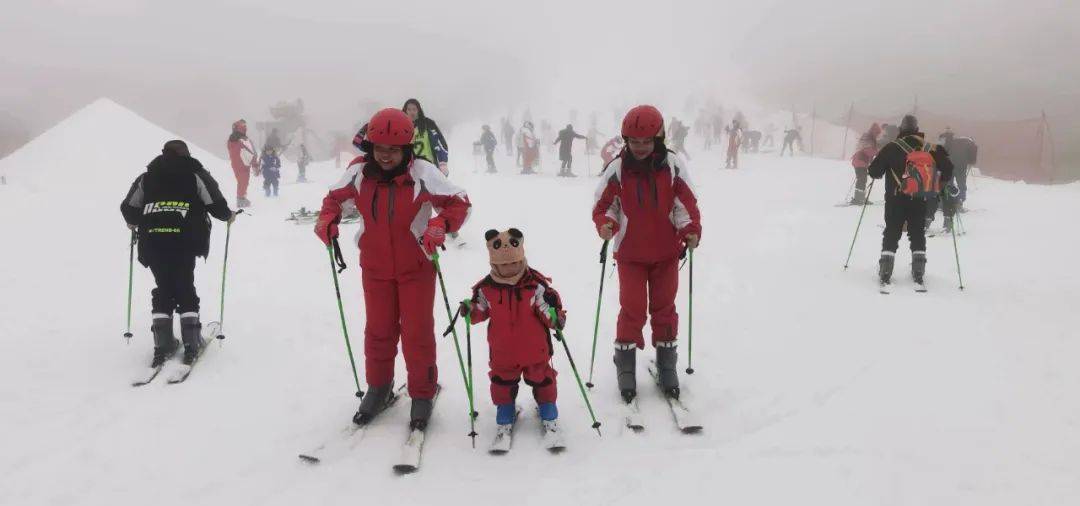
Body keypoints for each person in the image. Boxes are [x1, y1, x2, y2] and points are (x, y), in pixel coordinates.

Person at [315, 108, 471, 429]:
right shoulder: (359, 172)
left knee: (416, 333)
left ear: (407, 149)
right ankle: (379, 387)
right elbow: (334, 199)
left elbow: (459, 201)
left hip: (417, 267)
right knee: (379, 331)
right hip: (375, 267)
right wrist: (327, 219)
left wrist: (440, 223)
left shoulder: (423, 173)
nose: (386, 156)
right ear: (370, 146)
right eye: (380, 148)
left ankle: (423, 394)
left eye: (394, 150)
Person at [592, 105, 702, 402]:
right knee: (633, 307)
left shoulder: (673, 165)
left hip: (666, 252)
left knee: (665, 307)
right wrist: (606, 224)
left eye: (646, 141)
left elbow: (684, 202)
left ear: (658, 138)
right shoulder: (617, 169)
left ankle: (667, 363)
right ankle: (625, 363)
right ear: (626, 141)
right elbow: (604, 205)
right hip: (630, 254)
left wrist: (689, 228)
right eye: (634, 142)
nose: (640, 148)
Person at [120, 140, 236, 367]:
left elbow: (128, 208)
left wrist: (134, 222)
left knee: (163, 286)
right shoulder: (196, 174)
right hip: (186, 240)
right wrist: (228, 215)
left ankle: (162, 345)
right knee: (184, 285)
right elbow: (216, 204)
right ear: (185, 153)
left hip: (152, 240)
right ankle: (192, 344)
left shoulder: (147, 177)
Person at [461, 228, 567, 445]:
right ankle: (505, 413)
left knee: (543, 379)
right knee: (501, 383)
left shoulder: (534, 285)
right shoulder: (487, 289)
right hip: (503, 352)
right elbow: (480, 310)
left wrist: (556, 318)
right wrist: (470, 310)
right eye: (504, 265)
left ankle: (548, 412)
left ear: (522, 259)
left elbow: (546, 309)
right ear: (494, 265)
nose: (510, 269)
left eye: (514, 263)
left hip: (535, 349)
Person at [868, 115, 953, 290]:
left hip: (894, 198)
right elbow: (949, 168)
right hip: (920, 199)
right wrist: (939, 184)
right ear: (917, 130)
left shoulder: (891, 148)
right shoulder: (930, 148)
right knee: (917, 233)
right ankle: (919, 272)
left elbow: (874, 171)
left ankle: (885, 271)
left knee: (892, 232)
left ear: (900, 130)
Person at [403, 98, 450, 176]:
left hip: (430, 168)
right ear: (405, 111)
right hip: (410, 171)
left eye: (414, 109)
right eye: (409, 109)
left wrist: (443, 163)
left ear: (419, 110)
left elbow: (439, 142)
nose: (412, 112)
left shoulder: (428, 124)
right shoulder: (402, 128)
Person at [938, 129, 978, 211]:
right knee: (961, 185)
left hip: (950, 166)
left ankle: (945, 203)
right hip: (961, 166)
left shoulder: (952, 142)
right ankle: (959, 202)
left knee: (948, 184)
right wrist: (969, 163)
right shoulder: (969, 144)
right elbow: (972, 159)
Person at [227, 120, 258, 208]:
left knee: (243, 181)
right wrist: (255, 165)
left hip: (238, 163)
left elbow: (250, 152)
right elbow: (252, 153)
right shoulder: (242, 139)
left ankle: (242, 198)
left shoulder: (233, 139)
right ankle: (240, 199)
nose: (245, 127)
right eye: (244, 126)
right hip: (243, 163)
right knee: (243, 181)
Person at [849, 123, 882, 205]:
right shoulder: (868, 138)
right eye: (877, 133)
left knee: (862, 179)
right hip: (859, 161)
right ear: (874, 131)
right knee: (861, 179)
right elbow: (868, 150)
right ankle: (858, 199)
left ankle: (861, 198)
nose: (877, 135)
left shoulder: (870, 138)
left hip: (862, 162)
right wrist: (878, 153)